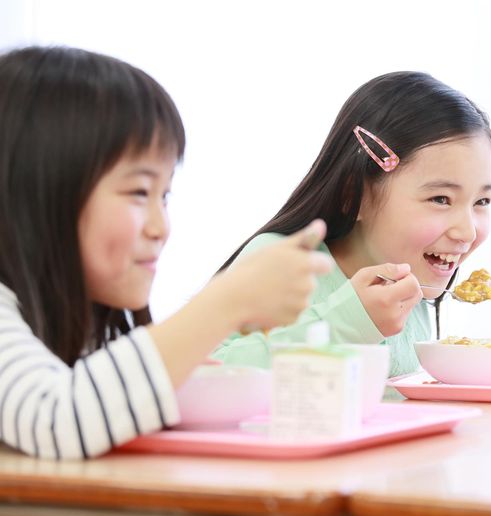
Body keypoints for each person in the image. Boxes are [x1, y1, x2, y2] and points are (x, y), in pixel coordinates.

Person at [0, 46, 332, 459]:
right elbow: (55, 420)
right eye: (140, 192)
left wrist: (175, 372)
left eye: (165, 196)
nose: (161, 227)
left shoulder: (84, 326)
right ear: (40, 193)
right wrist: (225, 302)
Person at [213, 71, 491, 377]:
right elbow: (197, 377)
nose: (467, 232)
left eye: (481, 201)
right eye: (440, 199)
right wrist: (349, 322)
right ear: (355, 196)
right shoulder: (282, 262)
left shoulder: (410, 283)